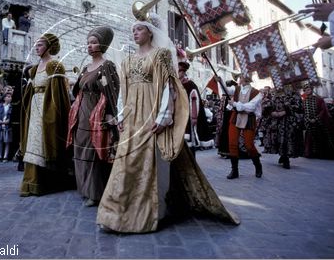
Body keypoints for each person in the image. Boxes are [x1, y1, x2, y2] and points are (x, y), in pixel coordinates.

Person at [97, 14, 239, 234]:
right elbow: (123, 93)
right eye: (133, 30)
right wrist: (121, 116)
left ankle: (152, 211)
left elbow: (167, 88)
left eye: (139, 29)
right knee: (125, 163)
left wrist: (163, 117)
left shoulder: (160, 56)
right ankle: (116, 213)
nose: (135, 33)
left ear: (150, 32)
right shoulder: (127, 60)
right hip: (132, 118)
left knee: (149, 163)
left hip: (151, 116)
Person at [66, 26, 119, 207]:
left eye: (94, 42)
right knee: (80, 150)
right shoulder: (86, 67)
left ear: (102, 44)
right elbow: (78, 89)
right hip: (81, 113)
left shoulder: (107, 66)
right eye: (88, 43)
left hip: (96, 112)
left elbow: (111, 90)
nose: (90, 46)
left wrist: (111, 113)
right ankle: (84, 188)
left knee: (93, 152)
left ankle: (95, 192)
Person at [19, 33, 72, 196]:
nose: (36, 47)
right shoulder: (34, 69)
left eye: (40, 44)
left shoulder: (54, 65)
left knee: (42, 142)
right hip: (34, 108)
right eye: (36, 44)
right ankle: (30, 181)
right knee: (32, 142)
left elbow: (59, 93)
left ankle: (44, 182)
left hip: (47, 108)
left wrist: (52, 114)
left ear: (49, 47)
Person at [176, 47, 213, 158]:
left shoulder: (190, 85)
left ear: (183, 72)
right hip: (177, 117)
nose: (177, 73)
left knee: (189, 143)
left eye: (179, 71)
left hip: (188, 117)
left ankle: (192, 163)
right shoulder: (175, 84)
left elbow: (194, 101)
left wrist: (194, 117)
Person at [226, 74, 263, 179]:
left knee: (249, 145)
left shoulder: (257, 93)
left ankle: (258, 166)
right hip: (236, 116)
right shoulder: (237, 89)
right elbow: (226, 91)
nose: (240, 79)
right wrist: (218, 81)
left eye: (242, 77)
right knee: (232, 143)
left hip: (249, 118)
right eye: (240, 77)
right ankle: (234, 170)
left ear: (247, 79)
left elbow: (250, 107)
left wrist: (235, 104)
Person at [302, 82, 334, 159]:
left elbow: (323, 110)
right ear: (304, 91)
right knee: (310, 138)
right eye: (306, 90)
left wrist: (316, 119)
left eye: (308, 89)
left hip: (320, 122)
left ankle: (323, 154)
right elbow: (303, 112)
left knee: (322, 137)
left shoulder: (319, 99)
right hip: (309, 123)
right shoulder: (304, 101)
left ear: (311, 90)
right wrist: (308, 120)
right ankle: (312, 153)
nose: (307, 91)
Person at [0, 92, 14, 163]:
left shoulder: (12, 106)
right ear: (4, 98)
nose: (10, 98)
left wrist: (9, 120)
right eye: (8, 97)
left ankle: (5, 156)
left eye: (10, 97)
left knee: (7, 141)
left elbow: (13, 115)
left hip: (8, 126)